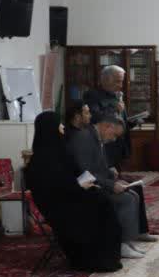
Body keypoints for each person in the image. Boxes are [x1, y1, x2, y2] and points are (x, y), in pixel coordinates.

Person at [26, 111, 122, 272]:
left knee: (102, 199)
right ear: (50, 128)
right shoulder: (41, 161)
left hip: (72, 198)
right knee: (101, 206)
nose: (63, 127)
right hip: (61, 208)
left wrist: (87, 184)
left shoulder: (60, 151)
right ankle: (96, 259)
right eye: (59, 124)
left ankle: (108, 256)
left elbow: (74, 174)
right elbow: (53, 190)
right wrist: (79, 186)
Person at [64, 110, 153, 259]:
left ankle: (127, 241)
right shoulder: (84, 138)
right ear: (107, 126)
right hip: (85, 189)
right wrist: (111, 185)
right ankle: (121, 244)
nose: (113, 139)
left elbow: (100, 167)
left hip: (97, 184)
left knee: (133, 194)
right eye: (114, 135)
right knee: (127, 199)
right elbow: (85, 172)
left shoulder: (95, 137)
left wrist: (114, 180)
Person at [84, 64, 132, 170]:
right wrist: (114, 110)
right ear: (105, 80)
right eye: (117, 81)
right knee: (107, 174)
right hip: (106, 145)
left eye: (122, 81)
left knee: (117, 174)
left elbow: (119, 118)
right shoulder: (92, 95)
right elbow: (94, 117)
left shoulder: (117, 96)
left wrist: (130, 122)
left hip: (120, 143)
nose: (121, 85)